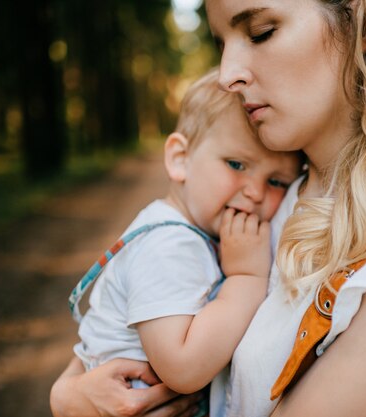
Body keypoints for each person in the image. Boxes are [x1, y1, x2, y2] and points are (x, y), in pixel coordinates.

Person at [50, 1, 366, 416]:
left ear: (363, 23)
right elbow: (125, 319)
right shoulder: (263, 196)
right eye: (222, 42)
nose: (227, 73)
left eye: (261, 32)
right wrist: (68, 397)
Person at [60, 68, 302, 413]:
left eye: (277, 182)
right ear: (179, 159)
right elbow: (183, 368)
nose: (255, 191)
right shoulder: (170, 245)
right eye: (236, 164)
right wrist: (246, 279)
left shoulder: (181, 231)